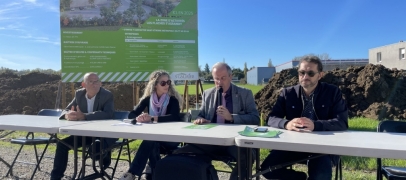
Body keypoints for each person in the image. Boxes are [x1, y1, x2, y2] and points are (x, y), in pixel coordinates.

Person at [261, 55, 348, 180]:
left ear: (320, 75)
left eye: (310, 73)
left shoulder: (332, 92)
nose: (305, 77)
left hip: (322, 148)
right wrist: (286, 124)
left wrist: (316, 125)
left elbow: (342, 122)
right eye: (302, 72)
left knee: (320, 176)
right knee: (267, 169)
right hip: (292, 145)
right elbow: (272, 118)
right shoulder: (287, 93)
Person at [176, 62, 260, 180]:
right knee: (180, 153)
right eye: (216, 79)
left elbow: (255, 119)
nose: (219, 82)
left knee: (247, 156)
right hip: (210, 140)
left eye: (223, 78)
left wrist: (231, 117)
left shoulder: (245, 94)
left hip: (234, 142)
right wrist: (200, 119)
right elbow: (201, 114)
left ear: (231, 77)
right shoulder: (208, 93)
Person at [50, 72, 116, 180]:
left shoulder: (107, 95)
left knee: (97, 146)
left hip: (102, 133)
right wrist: (67, 115)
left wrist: (84, 116)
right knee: (62, 145)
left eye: (97, 81)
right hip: (84, 134)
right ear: (84, 84)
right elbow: (66, 110)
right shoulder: (79, 94)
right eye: (91, 82)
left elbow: (108, 113)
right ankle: (55, 177)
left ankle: (104, 160)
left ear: (100, 83)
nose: (95, 84)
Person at [119, 70, 183, 180]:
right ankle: (157, 173)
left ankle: (132, 173)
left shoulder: (173, 100)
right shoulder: (148, 99)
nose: (166, 85)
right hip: (154, 138)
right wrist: (138, 118)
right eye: (163, 83)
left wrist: (152, 118)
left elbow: (173, 117)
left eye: (168, 82)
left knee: (150, 140)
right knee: (151, 141)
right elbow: (131, 114)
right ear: (155, 84)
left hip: (170, 138)